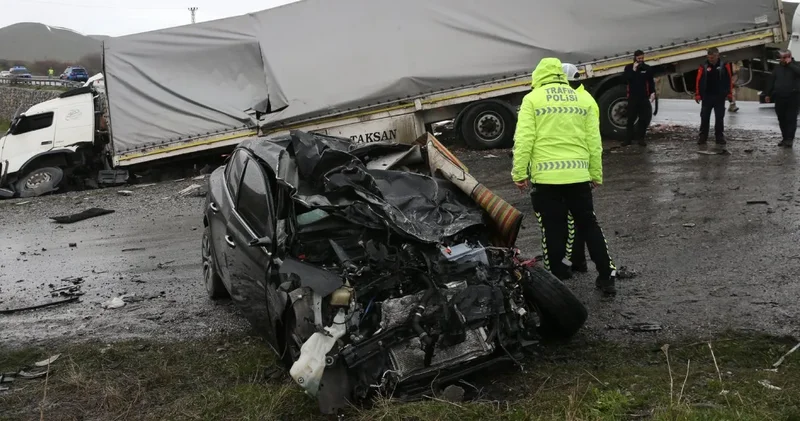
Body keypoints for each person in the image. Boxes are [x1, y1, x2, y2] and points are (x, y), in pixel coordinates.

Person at [511, 57, 618, 295]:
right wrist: (595, 174)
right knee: (589, 224)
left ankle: (558, 279)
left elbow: (524, 140)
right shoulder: (584, 99)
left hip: (546, 180)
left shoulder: (532, 100)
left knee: (552, 228)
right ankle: (606, 274)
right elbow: (594, 141)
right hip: (579, 176)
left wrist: (520, 173)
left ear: (539, 75)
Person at [561, 63, 598, 275]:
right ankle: (579, 261)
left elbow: (591, 140)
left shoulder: (573, 101)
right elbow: (594, 142)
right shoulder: (586, 99)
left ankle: (577, 262)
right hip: (581, 169)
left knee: (573, 221)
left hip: (571, 171)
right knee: (582, 220)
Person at [695, 47, 734, 145]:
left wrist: (729, 93)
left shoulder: (724, 65)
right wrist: (698, 94)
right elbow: (698, 80)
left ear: (717, 56)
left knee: (719, 118)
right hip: (707, 96)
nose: (711, 59)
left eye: (712, 57)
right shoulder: (703, 66)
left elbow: (729, 80)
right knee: (704, 117)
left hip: (719, 97)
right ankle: (703, 137)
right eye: (709, 57)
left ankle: (719, 137)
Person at [764, 49, 800, 147]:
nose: (781, 60)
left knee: (791, 118)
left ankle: (789, 139)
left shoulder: (796, 65)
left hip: (793, 96)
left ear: (789, 57)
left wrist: (790, 65)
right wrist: (767, 94)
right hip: (780, 96)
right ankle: (784, 138)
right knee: (781, 118)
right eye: (780, 58)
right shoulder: (778, 67)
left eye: (783, 58)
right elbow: (772, 80)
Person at [623, 50, 656, 146]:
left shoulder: (647, 68)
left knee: (643, 119)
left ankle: (641, 139)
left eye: (642, 58)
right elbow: (626, 79)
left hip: (643, 98)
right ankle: (628, 139)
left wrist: (652, 92)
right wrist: (633, 70)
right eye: (639, 58)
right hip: (633, 97)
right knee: (630, 119)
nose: (640, 60)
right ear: (635, 58)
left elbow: (650, 82)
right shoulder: (629, 68)